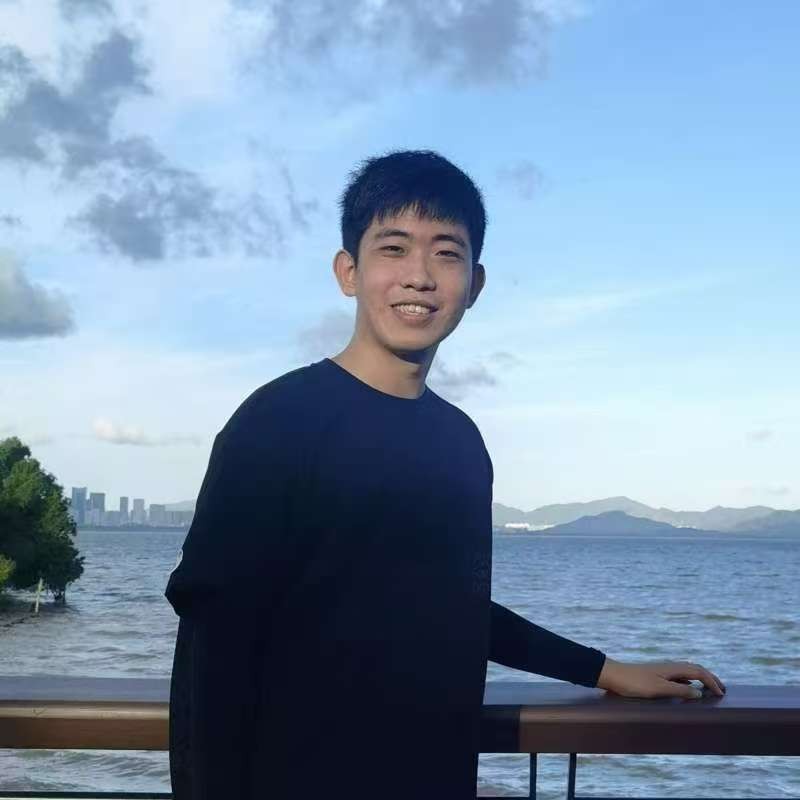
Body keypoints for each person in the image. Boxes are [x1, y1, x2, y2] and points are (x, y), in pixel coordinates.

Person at [164, 149, 726, 799]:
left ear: (475, 284)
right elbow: (211, 660)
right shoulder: (276, 424)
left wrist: (604, 670)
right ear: (348, 272)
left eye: (446, 253)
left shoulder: (459, 443)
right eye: (394, 248)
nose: (420, 276)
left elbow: (449, 610)